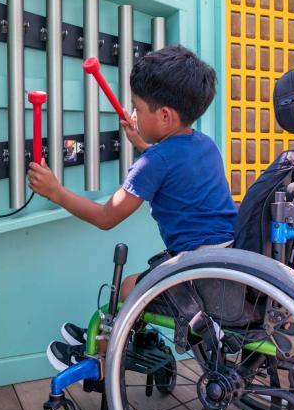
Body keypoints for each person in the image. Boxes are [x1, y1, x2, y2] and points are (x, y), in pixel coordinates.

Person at [27, 45, 237, 370]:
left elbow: (106, 216)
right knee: (139, 284)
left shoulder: (155, 162)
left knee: (128, 287)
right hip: (228, 254)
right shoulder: (204, 144)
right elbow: (174, 164)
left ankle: (103, 353)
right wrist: (144, 144)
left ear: (165, 116)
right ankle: (119, 335)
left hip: (198, 269)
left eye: (138, 108)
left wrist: (55, 191)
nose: (133, 115)